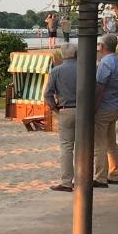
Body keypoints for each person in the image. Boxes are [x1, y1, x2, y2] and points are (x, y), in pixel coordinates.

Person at [43, 44, 78, 191]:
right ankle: (83, 179)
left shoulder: (56, 71)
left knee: (66, 146)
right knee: (84, 147)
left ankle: (66, 181)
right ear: (76, 53)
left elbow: (47, 94)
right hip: (84, 110)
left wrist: (55, 108)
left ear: (63, 55)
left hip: (65, 109)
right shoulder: (86, 69)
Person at [93, 34, 118, 187]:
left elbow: (100, 87)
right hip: (115, 105)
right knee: (111, 141)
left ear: (102, 46)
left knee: (100, 143)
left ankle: (100, 177)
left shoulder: (105, 64)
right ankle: (115, 173)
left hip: (104, 106)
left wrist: (94, 107)